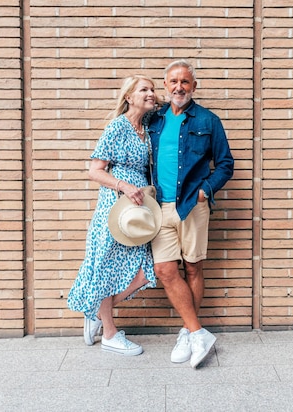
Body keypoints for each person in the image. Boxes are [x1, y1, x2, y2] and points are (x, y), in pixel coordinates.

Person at [148, 60, 234, 368]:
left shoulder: (208, 120)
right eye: (173, 81)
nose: (179, 87)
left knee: (194, 269)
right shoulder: (153, 120)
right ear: (166, 85)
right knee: (165, 271)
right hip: (159, 207)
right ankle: (199, 332)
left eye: (185, 82)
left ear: (193, 86)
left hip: (192, 205)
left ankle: (187, 331)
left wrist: (204, 191)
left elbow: (226, 164)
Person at [67, 75, 160, 356]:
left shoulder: (146, 128)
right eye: (144, 89)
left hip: (138, 209)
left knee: (147, 272)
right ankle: (109, 333)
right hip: (115, 207)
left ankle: (96, 311)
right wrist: (124, 185)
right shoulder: (117, 127)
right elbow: (95, 170)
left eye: (153, 89)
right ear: (129, 97)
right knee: (106, 269)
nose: (151, 93)